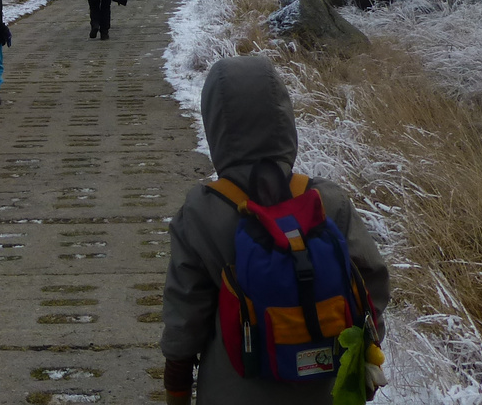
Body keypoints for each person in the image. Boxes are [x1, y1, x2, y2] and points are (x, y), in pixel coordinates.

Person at [161, 55, 391, 404]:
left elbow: (186, 309)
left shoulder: (201, 211)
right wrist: (366, 353)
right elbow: (370, 281)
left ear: (216, 127)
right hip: (326, 386)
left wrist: (177, 381)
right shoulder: (325, 199)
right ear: (284, 120)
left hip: (236, 387)